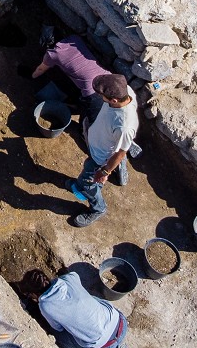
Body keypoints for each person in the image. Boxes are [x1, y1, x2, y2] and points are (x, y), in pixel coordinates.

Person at [18, 268, 129, 348]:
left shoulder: (45, 306)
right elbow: (72, 274)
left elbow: (58, 328)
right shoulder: (69, 278)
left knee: (58, 335)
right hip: (120, 324)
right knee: (89, 299)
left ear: (34, 294)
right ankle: (115, 343)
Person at [67, 74, 138, 227]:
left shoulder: (124, 127)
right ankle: (80, 184)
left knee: (89, 182)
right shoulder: (126, 92)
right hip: (98, 145)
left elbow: (120, 153)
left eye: (101, 95)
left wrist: (105, 172)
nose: (98, 96)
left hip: (101, 157)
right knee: (87, 172)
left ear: (114, 100)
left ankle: (98, 208)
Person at [31, 32, 110, 129]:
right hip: (110, 80)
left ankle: (83, 133)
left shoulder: (53, 54)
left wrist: (32, 77)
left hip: (92, 91)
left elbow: (40, 69)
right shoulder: (74, 39)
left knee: (89, 119)